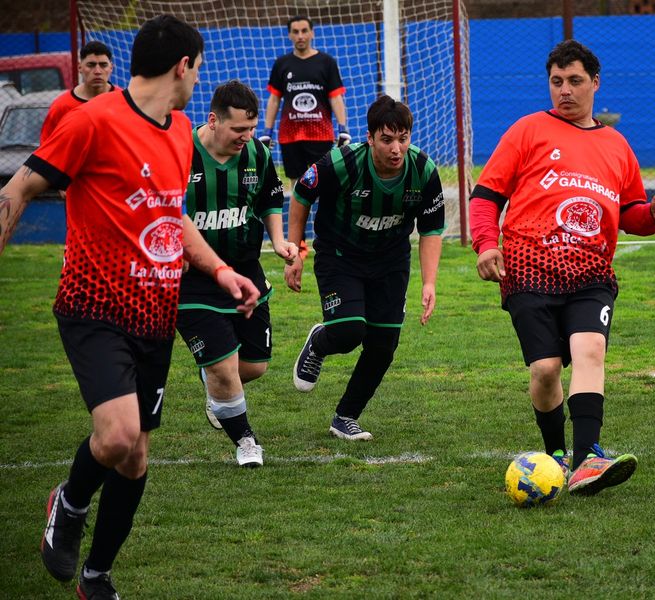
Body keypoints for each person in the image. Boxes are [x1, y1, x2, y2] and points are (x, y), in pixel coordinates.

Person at [0, 15, 260, 599]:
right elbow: (17, 189)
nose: (199, 78)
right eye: (199, 68)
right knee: (118, 436)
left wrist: (220, 270)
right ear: (182, 65)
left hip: (155, 316)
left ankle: (96, 576)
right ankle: (68, 503)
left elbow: (170, 214)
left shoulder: (181, 130)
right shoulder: (92, 120)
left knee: (136, 457)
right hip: (93, 306)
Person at [468, 40, 655, 496]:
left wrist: (654, 214)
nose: (565, 90)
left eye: (575, 81)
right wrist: (486, 245)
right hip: (528, 267)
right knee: (545, 370)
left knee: (590, 350)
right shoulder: (527, 131)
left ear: (595, 83)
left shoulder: (615, 145)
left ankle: (587, 459)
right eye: (557, 81)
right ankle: (556, 455)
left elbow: (631, 213)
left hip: (591, 273)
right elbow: (485, 197)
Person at [284, 95, 444, 441]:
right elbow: (301, 194)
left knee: (383, 345)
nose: (396, 149)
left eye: (403, 138)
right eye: (386, 139)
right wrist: (296, 251)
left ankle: (346, 417)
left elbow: (431, 230)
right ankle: (320, 343)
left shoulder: (424, 171)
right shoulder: (341, 163)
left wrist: (429, 283)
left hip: (391, 261)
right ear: (370, 138)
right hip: (340, 255)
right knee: (348, 331)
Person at [177, 80, 298, 467]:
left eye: (251, 128)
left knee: (254, 366)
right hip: (192, 280)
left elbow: (269, 199)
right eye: (239, 129)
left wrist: (279, 240)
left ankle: (214, 382)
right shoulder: (180, 153)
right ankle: (246, 441)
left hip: (245, 272)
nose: (247, 136)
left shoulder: (257, 154)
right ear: (213, 121)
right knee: (224, 367)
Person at [262, 15, 351, 259]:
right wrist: (267, 132)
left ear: (312, 33)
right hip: (290, 137)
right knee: (297, 189)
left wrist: (343, 127)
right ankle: (297, 244)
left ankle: (330, 240)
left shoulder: (326, 62)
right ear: (289, 35)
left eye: (304, 31)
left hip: (320, 136)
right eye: (295, 31)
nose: (300, 36)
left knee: (326, 188)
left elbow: (335, 97)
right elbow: (274, 100)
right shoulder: (282, 64)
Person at [40, 40, 117, 145]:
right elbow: (47, 146)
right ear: (80, 67)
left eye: (103, 65)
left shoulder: (123, 100)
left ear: (111, 67)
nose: (97, 71)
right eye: (91, 65)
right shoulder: (62, 106)